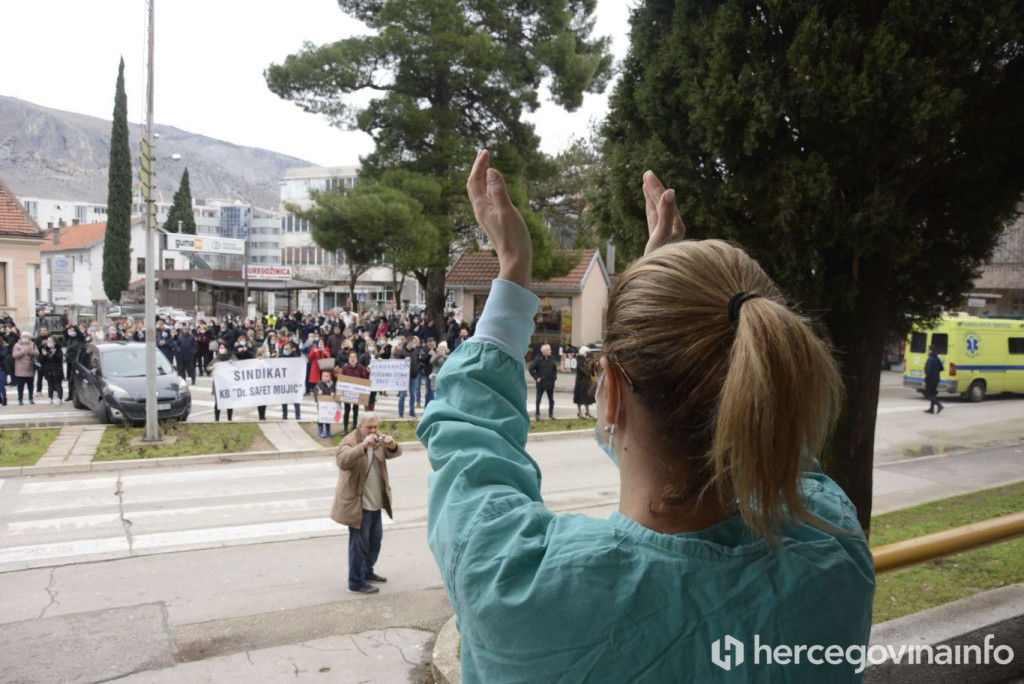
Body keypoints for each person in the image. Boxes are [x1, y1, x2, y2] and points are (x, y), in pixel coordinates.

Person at [416, 150, 874, 681]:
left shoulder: (520, 588)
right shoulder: (832, 547)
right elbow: (769, 430)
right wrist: (660, 314)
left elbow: (472, 445)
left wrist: (513, 273)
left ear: (609, 393)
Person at [332, 412, 403, 595]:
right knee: (359, 545)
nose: (373, 431)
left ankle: (367, 572)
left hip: (375, 502)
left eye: (375, 427)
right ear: (359, 427)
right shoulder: (350, 440)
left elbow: (395, 452)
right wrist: (363, 446)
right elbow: (342, 460)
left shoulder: (377, 440)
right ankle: (355, 583)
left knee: (375, 541)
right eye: (369, 427)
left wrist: (392, 444)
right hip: (358, 505)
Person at [338, 351, 370, 434]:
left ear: (356, 358)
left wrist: (369, 370)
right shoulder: (345, 367)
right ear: (349, 358)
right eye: (351, 357)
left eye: (354, 357)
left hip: (357, 394)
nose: (352, 358)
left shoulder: (360, 367)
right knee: (347, 411)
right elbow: (342, 379)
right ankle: (345, 428)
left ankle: (355, 426)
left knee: (356, 410)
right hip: (347, 393)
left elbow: (365, 377)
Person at [528, 343, 558, 420]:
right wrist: (536, 378)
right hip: (541, 383)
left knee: (551, 400)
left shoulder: (551, 358)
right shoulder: (538, 359)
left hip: (550, 383)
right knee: (538, 399)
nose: (550, 351)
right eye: (549, 350)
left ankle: (551, 414)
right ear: (544, 351)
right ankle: (537, 414)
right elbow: (531, 368)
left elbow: (555, 369)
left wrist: (554, 377)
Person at [207, 343, 235, 422]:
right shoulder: (217, 358)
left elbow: (238, 365)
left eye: (222, 347)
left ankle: (229, 418)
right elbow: (208, 367)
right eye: (220, 348)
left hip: (229, 383)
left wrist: (232, 363)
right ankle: (216, 418)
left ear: (226, 349)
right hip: (219, 383)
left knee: (229, 401)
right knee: (218, 402)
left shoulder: (232, 357)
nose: (220, 349)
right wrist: (211, 368)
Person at [12, 332, 39, 405]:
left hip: (30, 368)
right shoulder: (17, 345)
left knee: (31, 385)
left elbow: (37, 353)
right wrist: (23, 351)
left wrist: (31, 351)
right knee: (20, 386)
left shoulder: (32, 344)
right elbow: (14, 355)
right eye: (24, 336)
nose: (25, 338)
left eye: (27, 337)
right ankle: (20, 399)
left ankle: (31, 398)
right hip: (20, 369)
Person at [39, 335, 64, 404]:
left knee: (58, 384)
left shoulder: (58, 349)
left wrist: (52, 354)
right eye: (48, 341)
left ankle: (60, 398)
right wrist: (44, 354)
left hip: (57, 369)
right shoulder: (45, 349)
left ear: (54, 342)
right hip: (48, 369)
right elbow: (42, 360)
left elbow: (58, 358)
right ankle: (50, 398)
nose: (48, 343)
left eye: (50, 341)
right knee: (50, 385)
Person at [573, 345, 595, 418]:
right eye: (587, 352)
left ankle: (588, 412)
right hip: (580, 381)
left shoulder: (588, 359)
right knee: (579, 397)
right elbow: (583, 370)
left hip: (587, 381)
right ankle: (579, 412)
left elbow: (592, 370)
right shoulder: (580, 360)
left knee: (587, 398)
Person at [314, 369, 337, 438]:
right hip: (322, 406)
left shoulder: (332, 385)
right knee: (321, 418)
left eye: (326, 376)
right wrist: (318, 394)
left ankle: (328, 430)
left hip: (330, 405)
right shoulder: (319, 385)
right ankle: (321, 431)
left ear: (330, 377)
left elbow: (336, 392)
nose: (324, 377)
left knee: (328, 418)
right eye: (323, 376)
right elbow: (315, 393)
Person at [924, 344, 945, 414]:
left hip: (931, 380)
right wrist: (936, 371)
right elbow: (941, 368)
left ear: (930, 351)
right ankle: (931, 409)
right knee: (933, 393)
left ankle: (939, 405)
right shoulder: (937, 358)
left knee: (928, 394)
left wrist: (925, 380)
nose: (927, 351)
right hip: (936, 379)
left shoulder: (930, 359)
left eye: (927, 350)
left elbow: (928, 372)